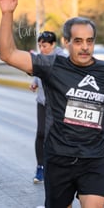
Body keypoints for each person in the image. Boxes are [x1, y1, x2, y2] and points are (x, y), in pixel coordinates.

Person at [0, 0, 104, 208]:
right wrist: (8, 13)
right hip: (59, 157)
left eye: (89, 41)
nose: (85, 47)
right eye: (78, 41)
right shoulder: (51, 65)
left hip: (94, 157)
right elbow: (7, 54)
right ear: (66, 43)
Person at [30, 31, 67, 184]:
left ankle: (60, 168)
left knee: (58, 134)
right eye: (39, 46)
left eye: (44, 46)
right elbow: (39, 72)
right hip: (43, 101)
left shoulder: (62, 58)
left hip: (58, 103)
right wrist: (35, 82)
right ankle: (40, 167)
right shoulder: (42, 57)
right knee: (41, 133)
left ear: (53, 45)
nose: (42, 49)